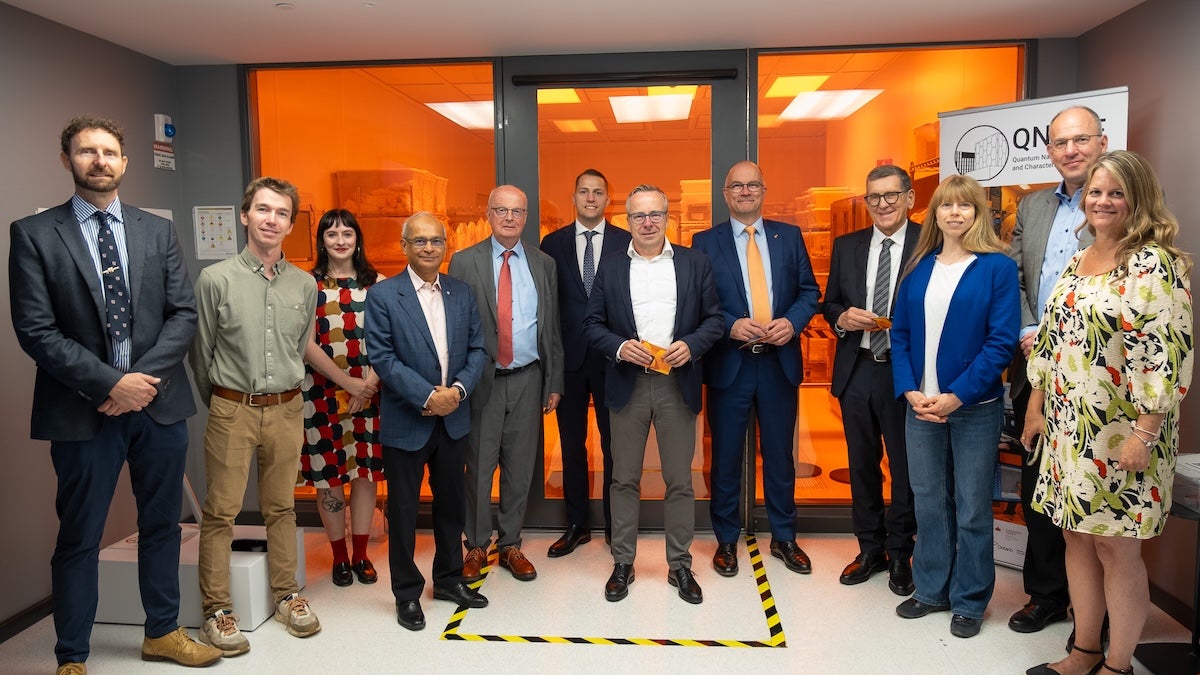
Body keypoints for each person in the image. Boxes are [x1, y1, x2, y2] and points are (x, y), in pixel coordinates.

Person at [9, 116, 222, 674]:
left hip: (157, 406)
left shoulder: (156, 231)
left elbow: (183, 314)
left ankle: (163, 633)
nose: (99, 160)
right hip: (82, 410)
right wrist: (109, 384)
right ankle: (72, 656)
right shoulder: (34, 234)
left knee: (163, 526)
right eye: (87, 151)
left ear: (125, 163)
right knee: (80, 534)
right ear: (67, 160)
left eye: (109, 152)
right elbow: (36, 330)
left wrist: (137, 384)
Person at [1022, 150, 1193, 675]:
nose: (1102, 201)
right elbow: (1052, 342)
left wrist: (1145, 432)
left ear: (1138, 199)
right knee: (1075, 537)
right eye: (1095, 192)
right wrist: (1035, 406)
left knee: (1115, 548)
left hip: (1124, 431)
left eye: (1116, 193)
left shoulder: (1153, 263)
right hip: (1069, 428)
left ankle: (1118, 666)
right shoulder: (1078, 259)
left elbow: (1165, 354)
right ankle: (1084, 651)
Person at [190, 176, 321, 655]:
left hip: (287, 409)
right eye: (263, 210)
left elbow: (299, 347)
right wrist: (226, 404)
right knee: (220, 511)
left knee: (281, 507)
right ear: (245, 216)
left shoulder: (304, 284)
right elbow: (200, 355)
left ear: (291, 225)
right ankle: (216, 611)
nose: (272, 219)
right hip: (232, 408)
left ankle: (287, 596)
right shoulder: (216, 280)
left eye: (282, 213)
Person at [890, 174, 1018, 639]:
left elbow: (1001, 342)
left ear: (979, 213)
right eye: (946, 205)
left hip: (973, 406)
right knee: (928, 500)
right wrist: (909, 390)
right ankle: (930, 590)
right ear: (935, 214)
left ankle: (970, 599)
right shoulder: (919, 266)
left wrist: (957, 396)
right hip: (921, 405)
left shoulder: (997, 268)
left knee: (971, 506)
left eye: (965, 205)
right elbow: (900, 334)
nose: (955, 213)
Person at [584, 184, 723, 604]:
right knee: (623, 478)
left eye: (655, 214)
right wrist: (619, 347)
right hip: (627, 382)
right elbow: (592, 325)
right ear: (627, 221)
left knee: (679, 480)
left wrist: (692, 345)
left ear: (667, 218)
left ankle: (679, 564)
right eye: (639, 215)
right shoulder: (610, 267)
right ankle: (623, 562)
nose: (647, 222)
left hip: (675, 383)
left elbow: (715, 320)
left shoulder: (695, 263)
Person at [691, 161, 821, 578]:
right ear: (725, 194)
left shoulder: (789, 236)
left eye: (752, 185)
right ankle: (726, 540)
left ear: (764, 190)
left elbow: (809, 292)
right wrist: (730, 324)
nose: (745, 192)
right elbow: (699, 300)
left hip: (778, 364)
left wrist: (792, 323)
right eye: (737, 186)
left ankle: (784, 537)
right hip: (731, 364)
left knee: (780, 456)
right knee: (725, 457)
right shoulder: (704, 242)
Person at [365, 212, 491, 631]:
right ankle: (406, 593)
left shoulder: (461, 292)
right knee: (403, 511)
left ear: (445, 246)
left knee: (451, 505)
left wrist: (457, 392)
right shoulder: (384, 295)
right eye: (419, 241)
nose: (429, 248)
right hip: (407, 420)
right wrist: (427, 396)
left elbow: (478, 349)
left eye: (436, 241)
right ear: (404, 246)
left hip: (453, 418)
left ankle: (449, 579)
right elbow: (383, 357)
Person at [1007, 105, 1105, 636]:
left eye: (1080, 139)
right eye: (1061, 143)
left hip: (1098, 373)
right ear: (1048, 151)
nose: (1070, 150)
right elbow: (1017, 276)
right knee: (1038, 482)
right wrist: (1029, 331)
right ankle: (1046, 593)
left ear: (1102, 142)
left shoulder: (1118, 203)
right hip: (1034, 365)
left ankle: (1096, 611)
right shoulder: (1033, 206)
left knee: (1095, 488)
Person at [448, 185, 564, 584]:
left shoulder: (543, 264)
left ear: (526, 216)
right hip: (482, 380)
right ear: (489, 214)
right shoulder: (464, 261)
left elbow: (551, 327)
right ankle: (477, 545)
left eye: (517, 211)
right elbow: (454, 324)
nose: (509, 217)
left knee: (520, 467)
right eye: (501, 210)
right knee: (479, 468)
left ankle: (511, 543)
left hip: (529, 377)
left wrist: (554, 381)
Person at [822, 164, 920, 594]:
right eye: (874, 197)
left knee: (904, 468)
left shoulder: (929, 243)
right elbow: (830, 303)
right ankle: (869, 549)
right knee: (861, 465)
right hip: (858, 368)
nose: (882, 204)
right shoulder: (847, 246)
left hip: (905, 372)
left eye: (891, 195)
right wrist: (842, 317)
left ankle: (900, 553)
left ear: (909, 198)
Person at [540, 169, 632, 555]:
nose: (590, 198)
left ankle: (615, 526)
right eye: (583, 191)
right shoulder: (553, 243)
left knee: (615, 446)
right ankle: (577, 524)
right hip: (570, 360)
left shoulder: (626, 241)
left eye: (597, 192)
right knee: (572, 445)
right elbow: (548, 306)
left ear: (608, 199)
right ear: (573, 197)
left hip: (614, 360)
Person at [299, 209, 385, 587]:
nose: (340, 240)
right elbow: (304, 344)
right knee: (329, 475)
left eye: (347, 233)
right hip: (321, 394)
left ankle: (361, 554)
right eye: (331, 234)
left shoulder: (378, 284)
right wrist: (348, 384)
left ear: (357, 239)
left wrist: (368, 385)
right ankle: (339, 557)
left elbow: (389, 341)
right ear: (322, 240)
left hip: (370, 393)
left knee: (364, 473)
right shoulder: (307, 285)